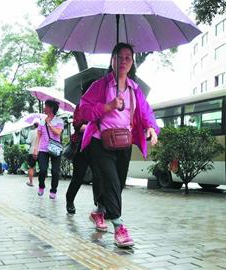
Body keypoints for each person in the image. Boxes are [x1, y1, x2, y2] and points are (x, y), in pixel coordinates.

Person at [79, 43, 160, 248]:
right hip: (101, 141)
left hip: (124, 142)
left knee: (118, 184)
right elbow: (84, 110)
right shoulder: (100, 85)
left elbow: (146, 112)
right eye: (119, 57)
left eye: (127, 58)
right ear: (111, 60)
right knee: (112, 182)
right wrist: (107, 106)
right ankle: (119, 228)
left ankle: (100, 211)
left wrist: (151, 128)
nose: (123, 61)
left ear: (132, 62)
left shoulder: (134, 89)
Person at [33, 100, 63, 199]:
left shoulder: (59, 120)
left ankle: (53, 190)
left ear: (51, 108)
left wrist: (49, 124)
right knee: (42, 170)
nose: (44, 108)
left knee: (55, 171)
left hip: (55, 148)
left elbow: (58, 133)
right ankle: (41, 186)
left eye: (46, 106)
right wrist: (35, 149)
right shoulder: (41, 121)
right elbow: (38, 136)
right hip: (43, 149)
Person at [65, 103, 91, 215]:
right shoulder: (81, 106)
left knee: (100, 176)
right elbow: (78, 126)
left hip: (100, 145)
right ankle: (69, 199)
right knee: (79, 176)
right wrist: (94, 127)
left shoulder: (106, 104)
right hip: (81, 145)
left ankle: (100, 207)